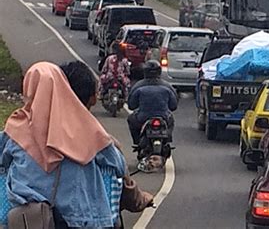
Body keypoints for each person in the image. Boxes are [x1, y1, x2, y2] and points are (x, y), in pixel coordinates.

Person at [0, 62, 126, 228]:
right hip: (81, 219)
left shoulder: (16, 128)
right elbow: (118, 164)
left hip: (29, 220)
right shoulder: (86, 127)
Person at [59, 61, 154, 215]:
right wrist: (144, 199)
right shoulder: (105, 146)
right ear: (93, 99)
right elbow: (127, 189)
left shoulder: (20, 139)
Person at [127, 60, 178, 146]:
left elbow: (131, 105)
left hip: (142, 118)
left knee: (130, 119)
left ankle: (137, 142)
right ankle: (168, 139)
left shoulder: (138, 86)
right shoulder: (167, 86)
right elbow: (173, 106)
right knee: (171, 120)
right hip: (164, 117)